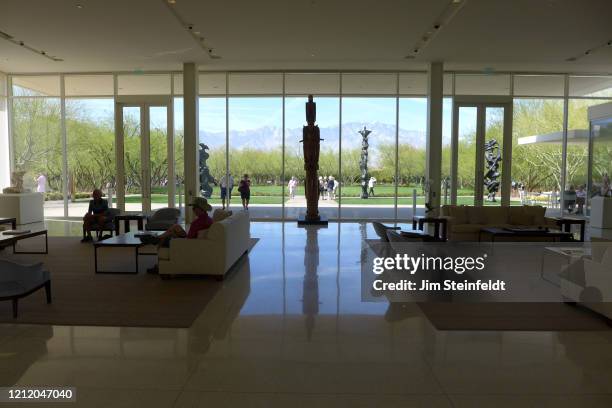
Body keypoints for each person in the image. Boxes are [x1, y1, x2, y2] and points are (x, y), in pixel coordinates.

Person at [141, 197, 214, 274]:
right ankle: (157, 239)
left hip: (188, 244)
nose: (193, 209)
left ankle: (158, 264)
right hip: (192, 240)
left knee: (166, 238)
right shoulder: (208, 219)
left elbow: (189, 240)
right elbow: (191, 236)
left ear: (200, 209)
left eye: (194, 207)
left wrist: (175, 236)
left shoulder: (198, 222)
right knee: (175, 227)